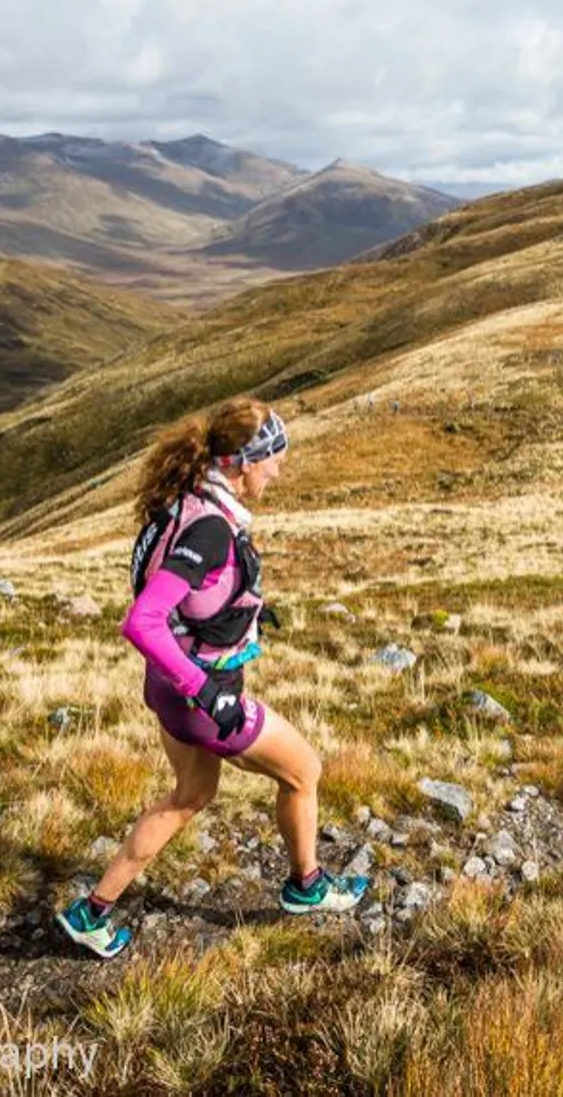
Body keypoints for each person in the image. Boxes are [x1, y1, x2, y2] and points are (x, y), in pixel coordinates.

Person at [57, 399, 367, 958]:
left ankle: (91, 912)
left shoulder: (186, 502)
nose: (278, 470)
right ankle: (307, 886)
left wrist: (240, 611)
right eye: (274, 459)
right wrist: (207, 692)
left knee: (188, 796)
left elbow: (184, 598)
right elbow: (142, 620)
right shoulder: (211, 533)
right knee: (304, 772)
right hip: (204, 698)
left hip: (167, 688)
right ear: (242, 462)